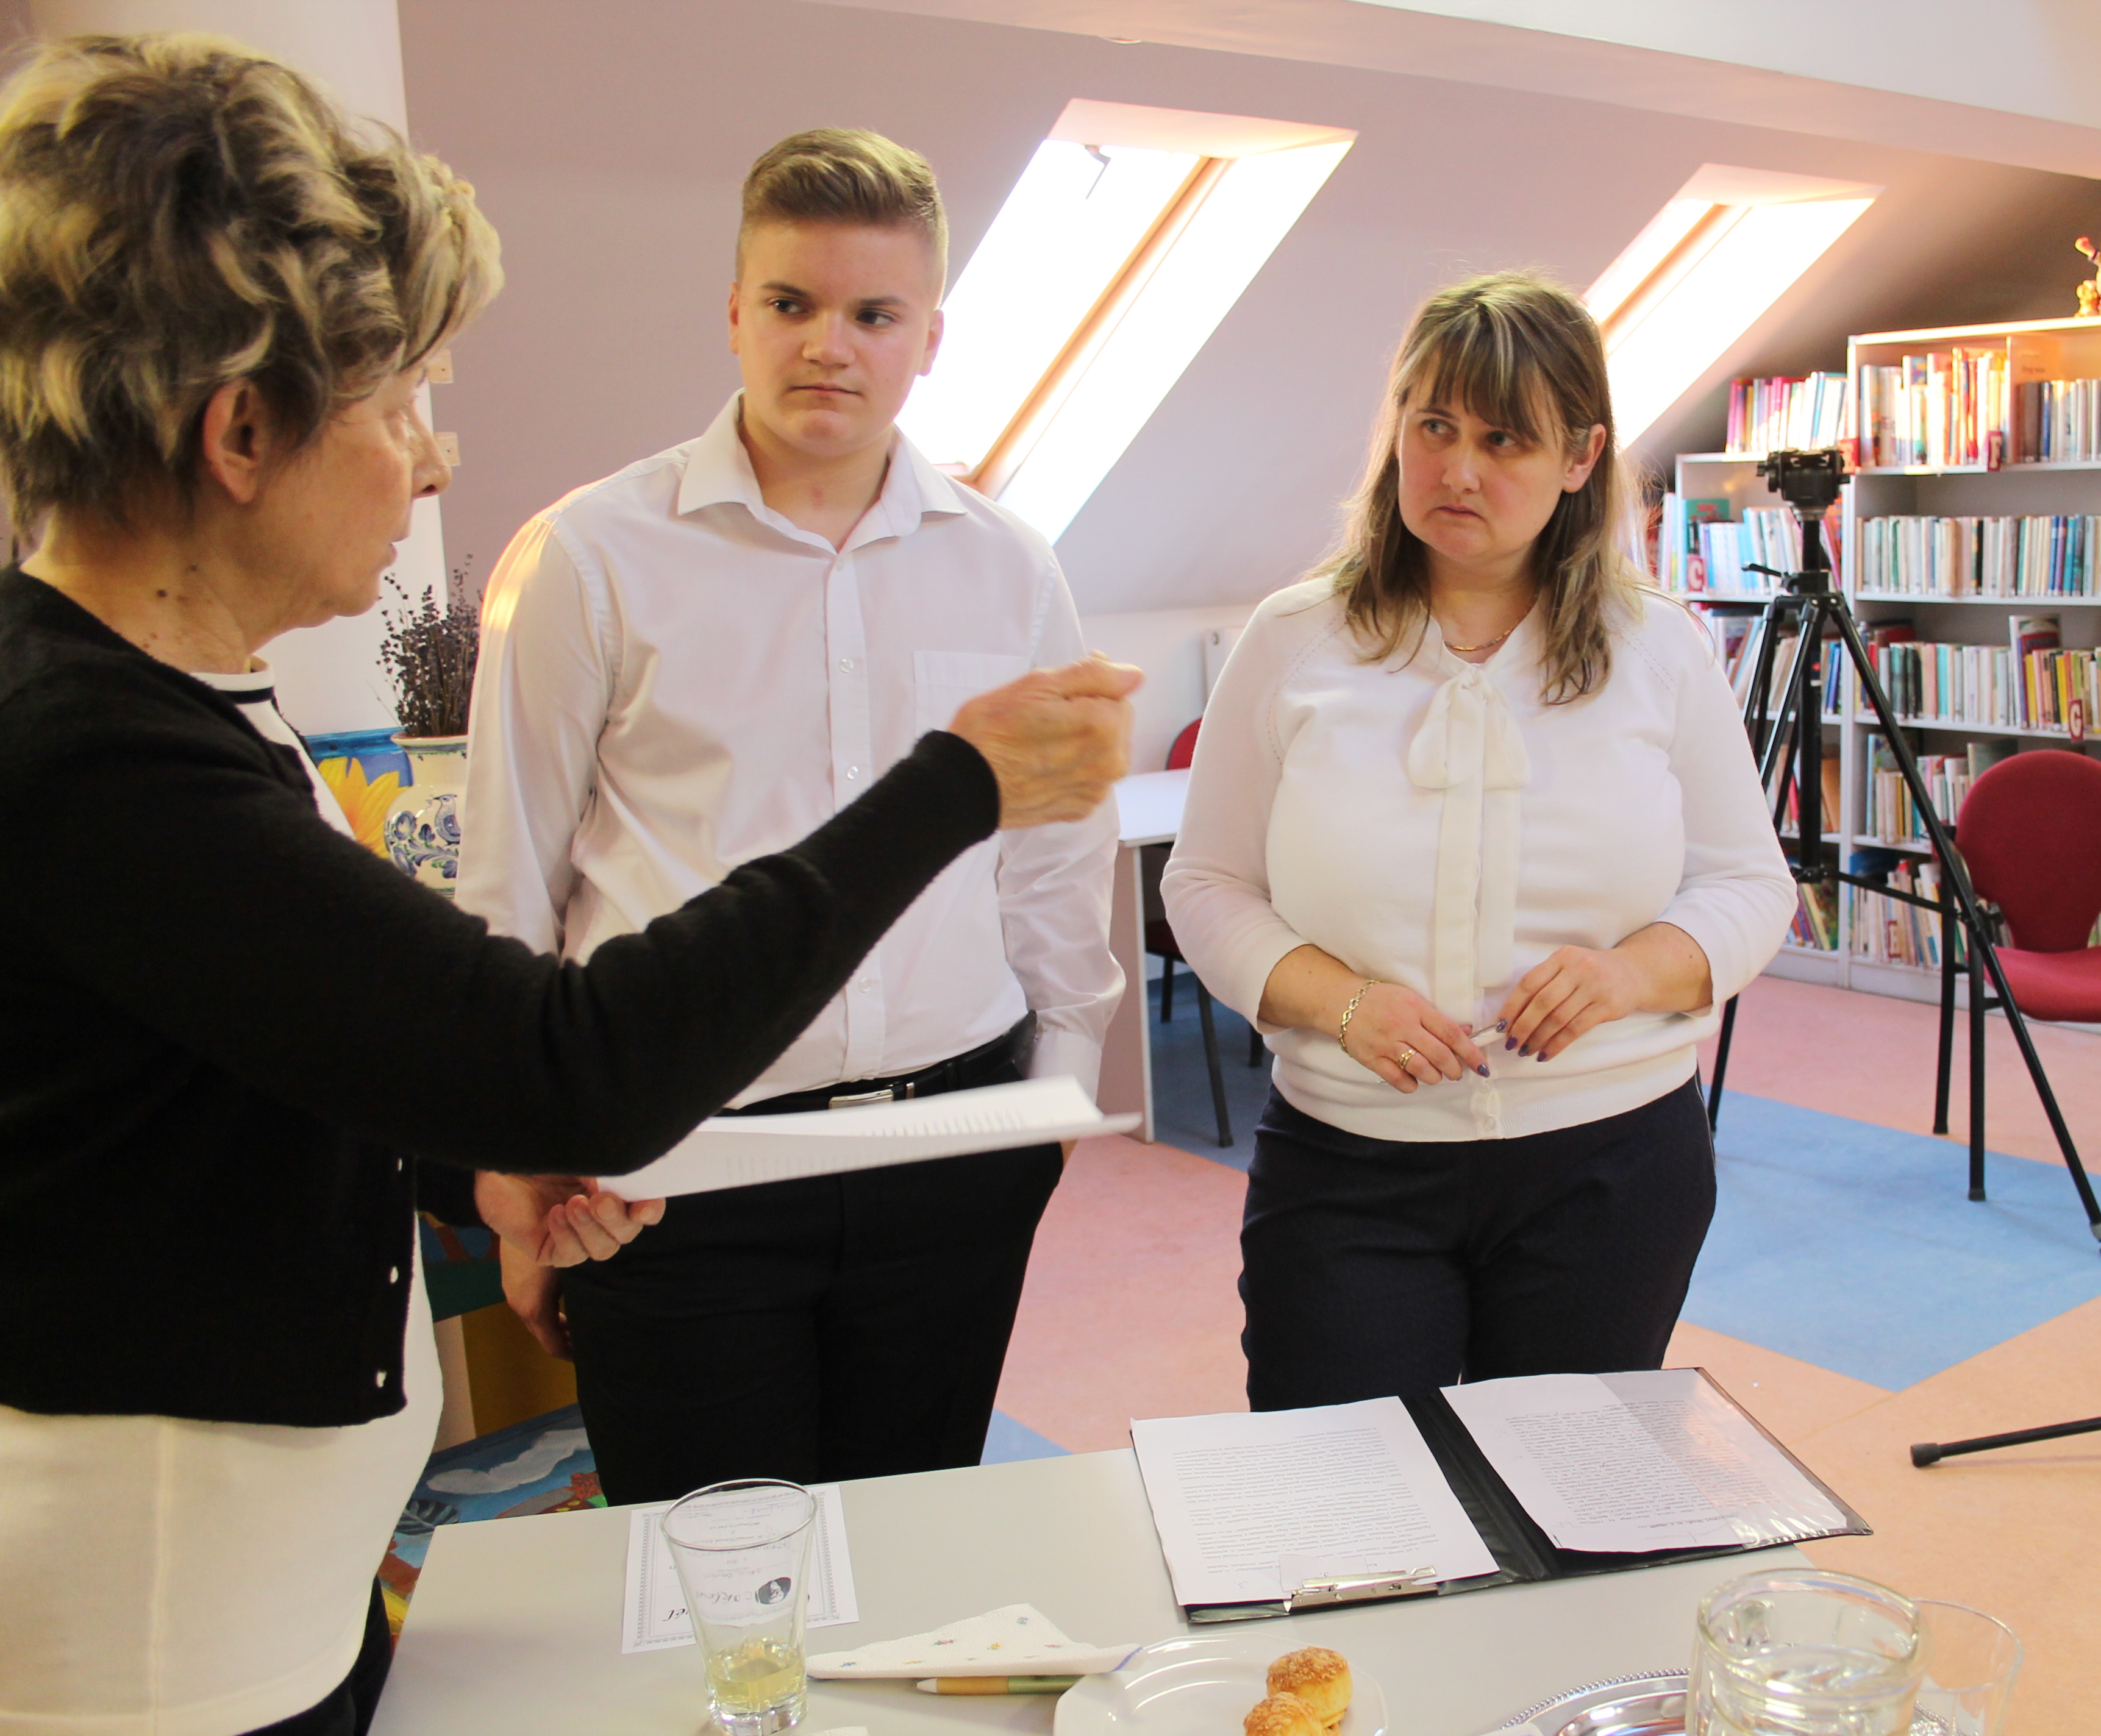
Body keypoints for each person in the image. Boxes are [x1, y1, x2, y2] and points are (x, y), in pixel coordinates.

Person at [0, 36, 1135, 1736]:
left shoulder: (177, 713)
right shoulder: (97, 756)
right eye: (402, 404)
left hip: (255, 1584)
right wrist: (954, 781)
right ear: (242, 430)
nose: (433, 461)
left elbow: (296, 1048)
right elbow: (552, 1044)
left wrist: (489, 1167)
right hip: (164, 1630)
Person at [457, 128, 1125, 1503]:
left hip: (950, 1150)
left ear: (929, 337)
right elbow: (510, 877)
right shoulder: (590, 555)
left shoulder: (1009, 568)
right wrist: (515, 1160)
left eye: (873, 313)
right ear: (734, 313)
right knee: (711, 1580)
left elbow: (1055, 859)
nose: (829, 345)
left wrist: (1052, 1102)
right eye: (790, 303)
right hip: (678, 1168)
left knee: (911, 1552)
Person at [1161, 272, 1797, 1410]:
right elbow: (1207, 885)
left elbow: (1751, 886)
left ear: (1581, 457)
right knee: (1350, 1494)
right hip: (1350, 1159)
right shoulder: (1296, 638)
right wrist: (1341, 1002)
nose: (1458, 470)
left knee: (1562, 1495)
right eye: (1434, 427)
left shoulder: (1658, 648)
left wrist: (1626, 975)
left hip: (1612, 1162)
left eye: (1504, 439)